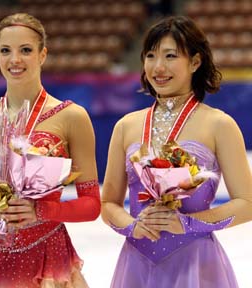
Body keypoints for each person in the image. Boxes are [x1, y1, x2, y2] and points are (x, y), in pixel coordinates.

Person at [0, 13, 100, 288]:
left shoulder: (72, 117)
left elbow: (91, 205)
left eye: (25, 50)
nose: (14, 60)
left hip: (47, 259)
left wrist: (42, 210)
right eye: (5, 51)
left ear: (43, 54)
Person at [101, 15, 252, 287]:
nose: (158, 67)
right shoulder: (126, 126)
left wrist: (189, 223)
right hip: (136, 262)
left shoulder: (219, 124)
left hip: (196, 264)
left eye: (170, 56)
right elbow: (108, 203)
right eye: (150, 56)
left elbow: (247, 204)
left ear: (195, 62)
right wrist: (131, 225)